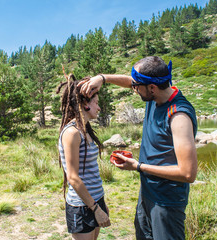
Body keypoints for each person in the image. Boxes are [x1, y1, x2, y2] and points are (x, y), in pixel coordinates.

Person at [80, 56, 198, 240]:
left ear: (151, 87)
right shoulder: (156, 94)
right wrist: (103, 78)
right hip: (148, 193)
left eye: (137, 86)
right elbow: (131, 82)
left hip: (166, 201)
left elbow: (188, 173)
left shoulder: (178, 116)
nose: (133, 89)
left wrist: (138, 166)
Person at [57, 73, 111, 240]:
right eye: (96, 103)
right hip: (82, 204)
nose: (99, 107)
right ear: (85, 104)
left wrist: (100, 203)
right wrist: (95, 209)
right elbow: (73, 177)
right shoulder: (72, 133)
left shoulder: (85, 130)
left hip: (95, 199)